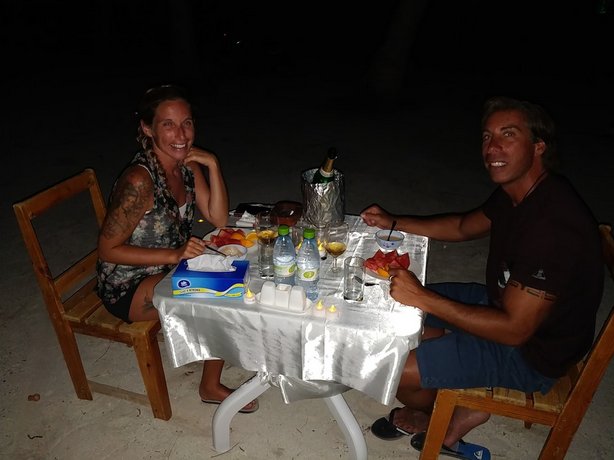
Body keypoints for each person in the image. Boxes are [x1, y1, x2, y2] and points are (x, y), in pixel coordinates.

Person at [361, 96, 603, 453]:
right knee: (394, 309)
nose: (492, 147)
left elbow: (514, 330)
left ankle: (440, 414)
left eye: (508, 134)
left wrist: (424, 298)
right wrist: (393, 221)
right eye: (487, 136)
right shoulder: (521, 192)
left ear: (539, 146)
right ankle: (447, 356)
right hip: (501, 303)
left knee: (390, 367)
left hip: (531, 354)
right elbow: (462, 226)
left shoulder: (553, 227)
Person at [97, 84, 258, 413]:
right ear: (148, 128)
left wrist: (212, 164)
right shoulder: (139, 181)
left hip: (172, 267)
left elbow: (218, 217)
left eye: (187, 123)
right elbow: (108, 250)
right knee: (220, 298)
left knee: (241, 270)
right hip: (127, 284)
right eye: (168, 124)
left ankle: (220, 351)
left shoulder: (187, 165)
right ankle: (210, 385)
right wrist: (174, 255)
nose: (181, 134)